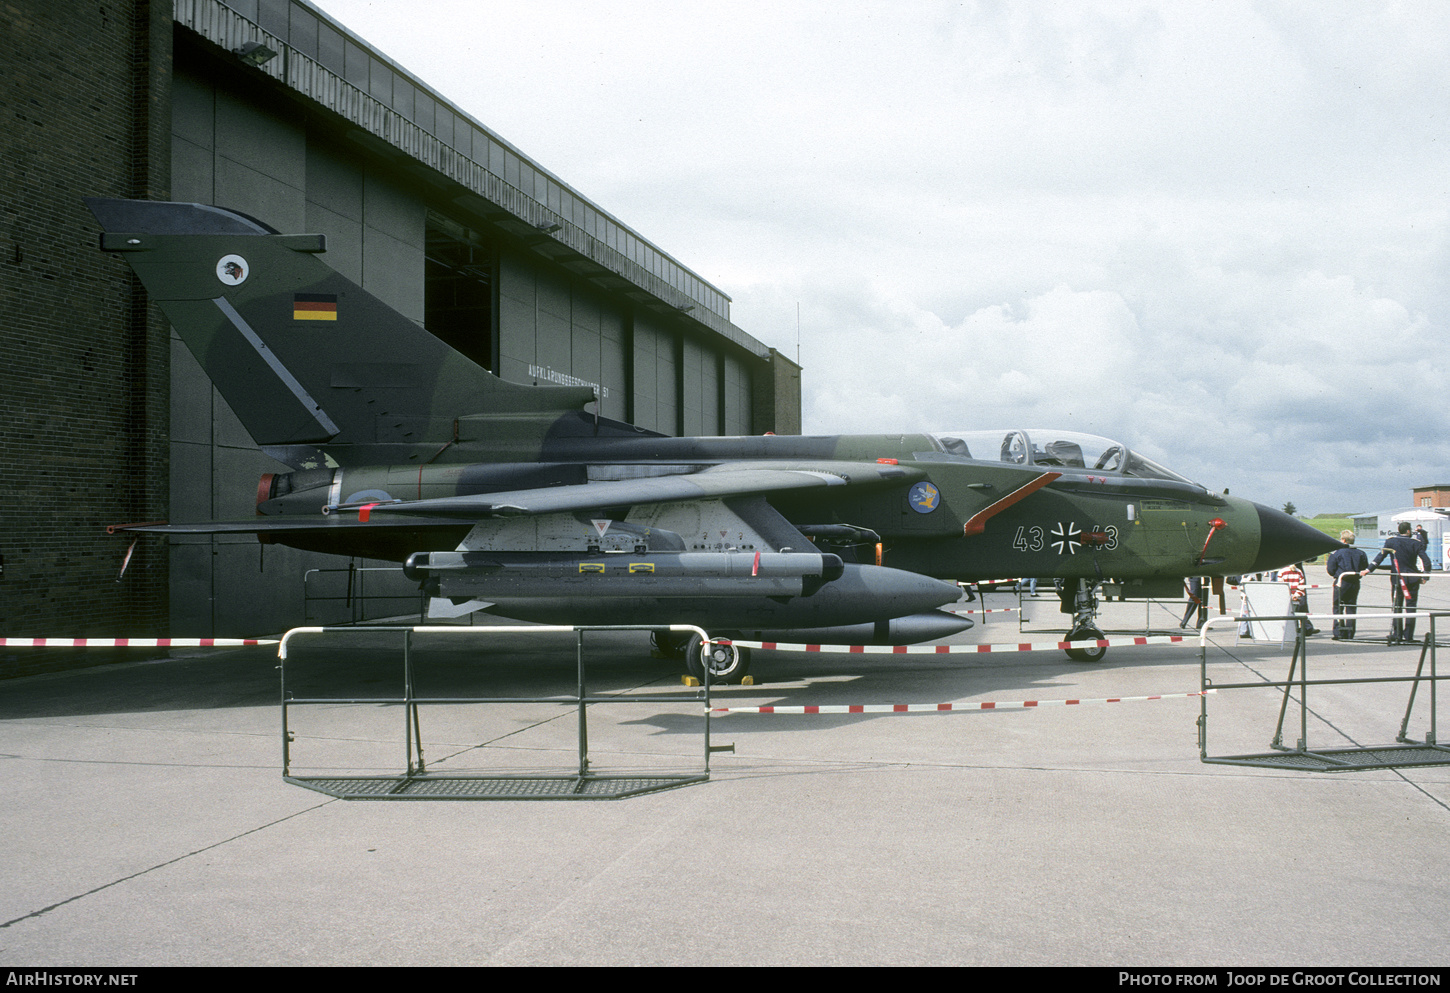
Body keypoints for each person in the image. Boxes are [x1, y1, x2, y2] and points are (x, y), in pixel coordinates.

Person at [1370, 522, 1432, 644]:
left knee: (1397, 606)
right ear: (1408, 531)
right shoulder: (1415, 543)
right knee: (1411, 607)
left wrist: (1369, 569)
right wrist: (1425, 575)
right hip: (1412, 578)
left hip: (1397, 579)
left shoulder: (1391, 542)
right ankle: (1408, 635)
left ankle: (1397, 634)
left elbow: (1380, 557)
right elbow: (1426, 560)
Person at [1325, 530, 1369, 640]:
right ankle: (1350, 633)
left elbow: (1330, 569)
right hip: (1355, 582)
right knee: (1351, 607)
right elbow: (1364, 567)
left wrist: (1336, 574)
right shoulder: (1361, 553)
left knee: (1338, 607)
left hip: (1341, 581)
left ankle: (1339, 632)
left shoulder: (1336, 553)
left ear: (1343, 540)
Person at [1279, 561, 1317, 635]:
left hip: (1287, 573)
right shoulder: (1299, 572)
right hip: (1297, 592)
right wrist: (1297, 594)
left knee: (1293, 609)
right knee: (1301, 605)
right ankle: (1305, 627)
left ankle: (1300, 628)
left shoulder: (1282, 572)